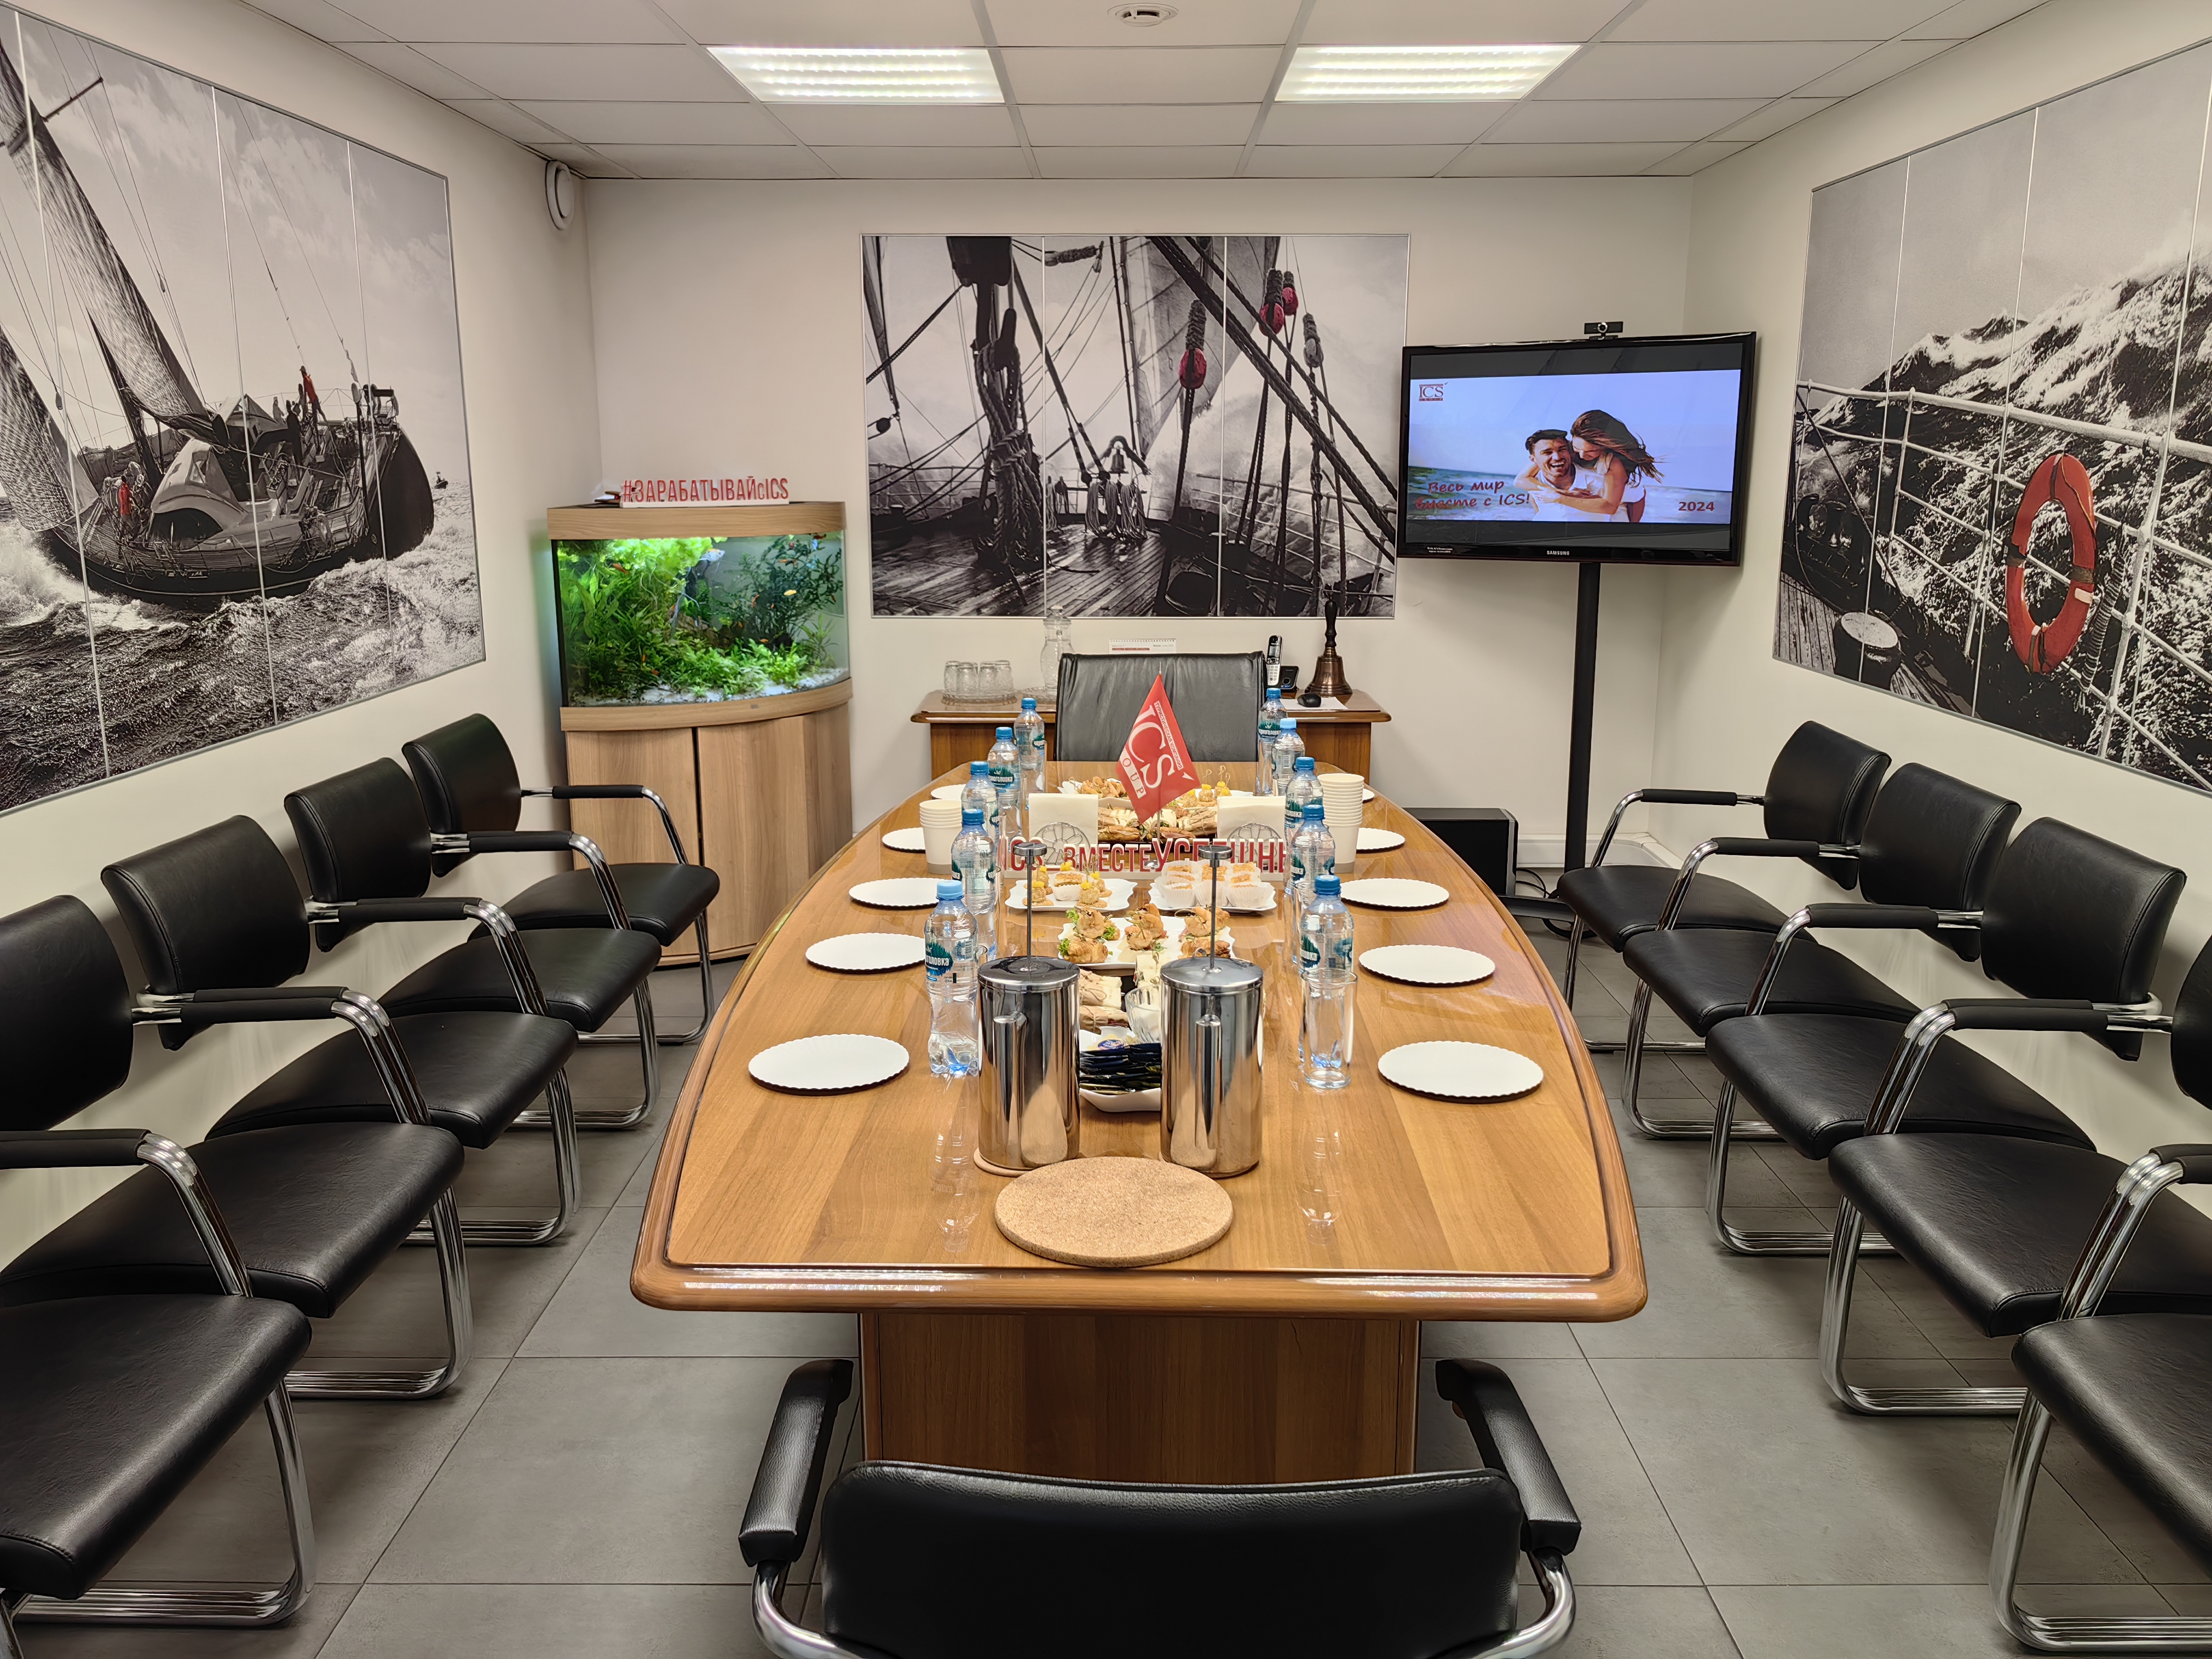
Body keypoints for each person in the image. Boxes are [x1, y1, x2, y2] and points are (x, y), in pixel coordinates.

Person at [1563, 409, 1661, 523]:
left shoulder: (1615, 463)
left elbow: (1613, 505)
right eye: (1577, 448)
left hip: (1629, 502)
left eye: (1591, 451)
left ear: (1604, 447)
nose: (1582, 455)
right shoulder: (1566, 451)